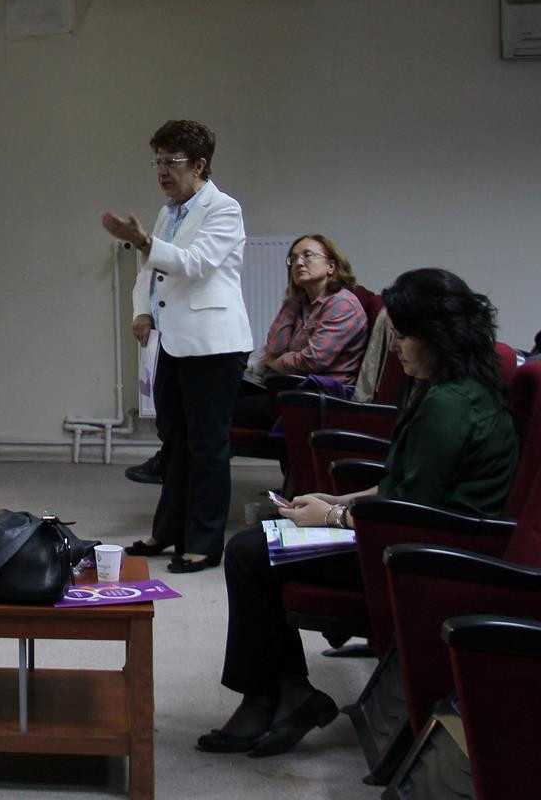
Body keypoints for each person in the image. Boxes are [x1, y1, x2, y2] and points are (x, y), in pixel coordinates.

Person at [199, 268, 517, 757]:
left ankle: (273, 696)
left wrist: (330, 520)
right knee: (259, 543)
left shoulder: (450, 407)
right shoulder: (451, 388)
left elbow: (411, 510)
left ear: (437, 336)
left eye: (405, 336)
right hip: (404, 537)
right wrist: (337, 501)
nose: (397, 348)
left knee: (248, 553)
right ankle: (285, 693)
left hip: (423, 559)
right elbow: (399, 484)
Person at [102, 119, 252, 573]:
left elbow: (195, 264)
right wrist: (141, 310)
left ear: (200, 165)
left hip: (214, 344)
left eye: (172, 161)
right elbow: (150, 271)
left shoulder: (224, 208)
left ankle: (204, 543)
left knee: (207, 446)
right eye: (158, 161)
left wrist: (144, 241)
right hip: (174, 341)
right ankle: (168, 531)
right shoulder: (169, 211)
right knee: (174, 443)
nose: (162, 171)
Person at [126, 234, 369, 483]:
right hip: (287, 387)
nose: (298, 263)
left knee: (212, 410)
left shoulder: (342, 305)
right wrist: (292, 301)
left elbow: (311, 361)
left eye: (307, 255)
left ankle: (180, 468)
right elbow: (275, 347)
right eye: (293, 259)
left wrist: (277, 362)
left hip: (318, 397)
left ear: (331, 266)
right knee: (205, 392)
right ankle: (175, 463)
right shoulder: (301, 304)